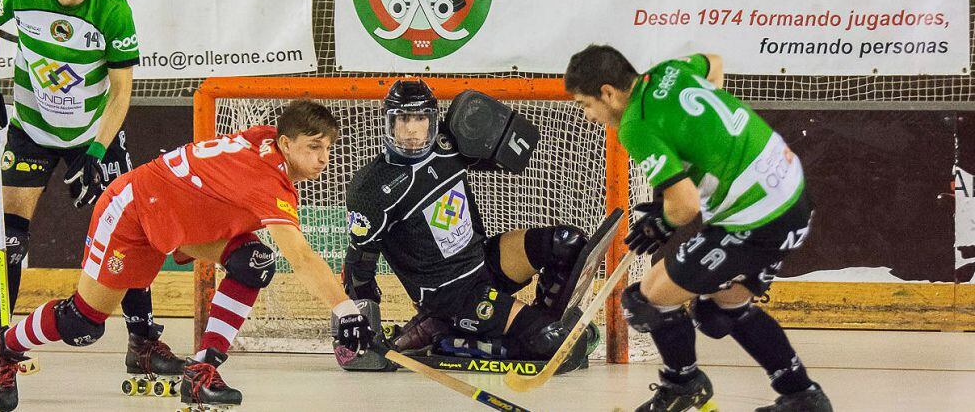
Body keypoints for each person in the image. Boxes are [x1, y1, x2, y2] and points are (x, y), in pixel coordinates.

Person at [0, 99, 376, 412]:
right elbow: (302, 258)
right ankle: (4, 347)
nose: (323, 159)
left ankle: (202, 371)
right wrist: (347, 310)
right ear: (286, 144)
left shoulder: (268, 139)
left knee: (253, 263)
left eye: (328, 148)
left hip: (174, 219)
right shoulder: (266, 178)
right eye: (314, 147)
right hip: (131, 214)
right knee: (84, 322)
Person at [0, 0, 184, 390]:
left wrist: (96, 149)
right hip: (30, 128)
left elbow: (121, 92)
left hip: (94, 133)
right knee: (8, 236)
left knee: (132, 231)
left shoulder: (112, 11)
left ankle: (142, 340)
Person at [564, 45, 833, 412]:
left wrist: (660, 221)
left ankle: (683, 384)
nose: (589, 116)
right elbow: (716, 63)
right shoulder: (669, 70)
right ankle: (803, 397)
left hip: (760, 217)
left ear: (608, 93)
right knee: (722, 307)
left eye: (585, 105)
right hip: (791, 191)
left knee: (646, 301)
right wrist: (707, 144)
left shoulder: (635, 126)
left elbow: (685, 206)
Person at [337, 80, 598, 373]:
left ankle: (541, 324)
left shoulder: (448, 144)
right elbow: (359, 269)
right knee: (550, 341)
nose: (411, 129)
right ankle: (444, 338)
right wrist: (360, 336)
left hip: (482, 261)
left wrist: (489, 129)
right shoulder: (372, 187)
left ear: (433, 121)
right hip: (451, 296)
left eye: (420, 118)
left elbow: (511, 155)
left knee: (568, 242)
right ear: (389, 123)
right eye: (403, 119)